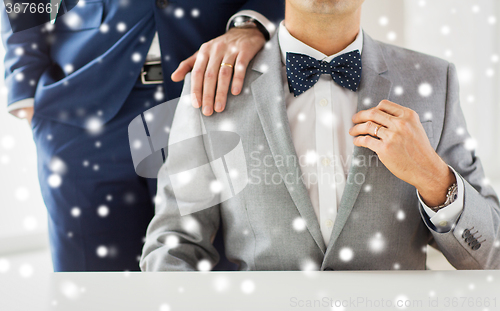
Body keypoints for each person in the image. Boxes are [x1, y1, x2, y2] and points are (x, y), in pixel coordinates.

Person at [140, 0, 500, 271]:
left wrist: (433, 178)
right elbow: (173, 246)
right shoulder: (211, 86)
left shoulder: (435, 81)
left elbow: (491, 254)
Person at [1, 0, 284, 271]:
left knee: (215, 280)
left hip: (210, 97)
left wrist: (252, 22)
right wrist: (23, 86)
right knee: (92, 292)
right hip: (82, 111)